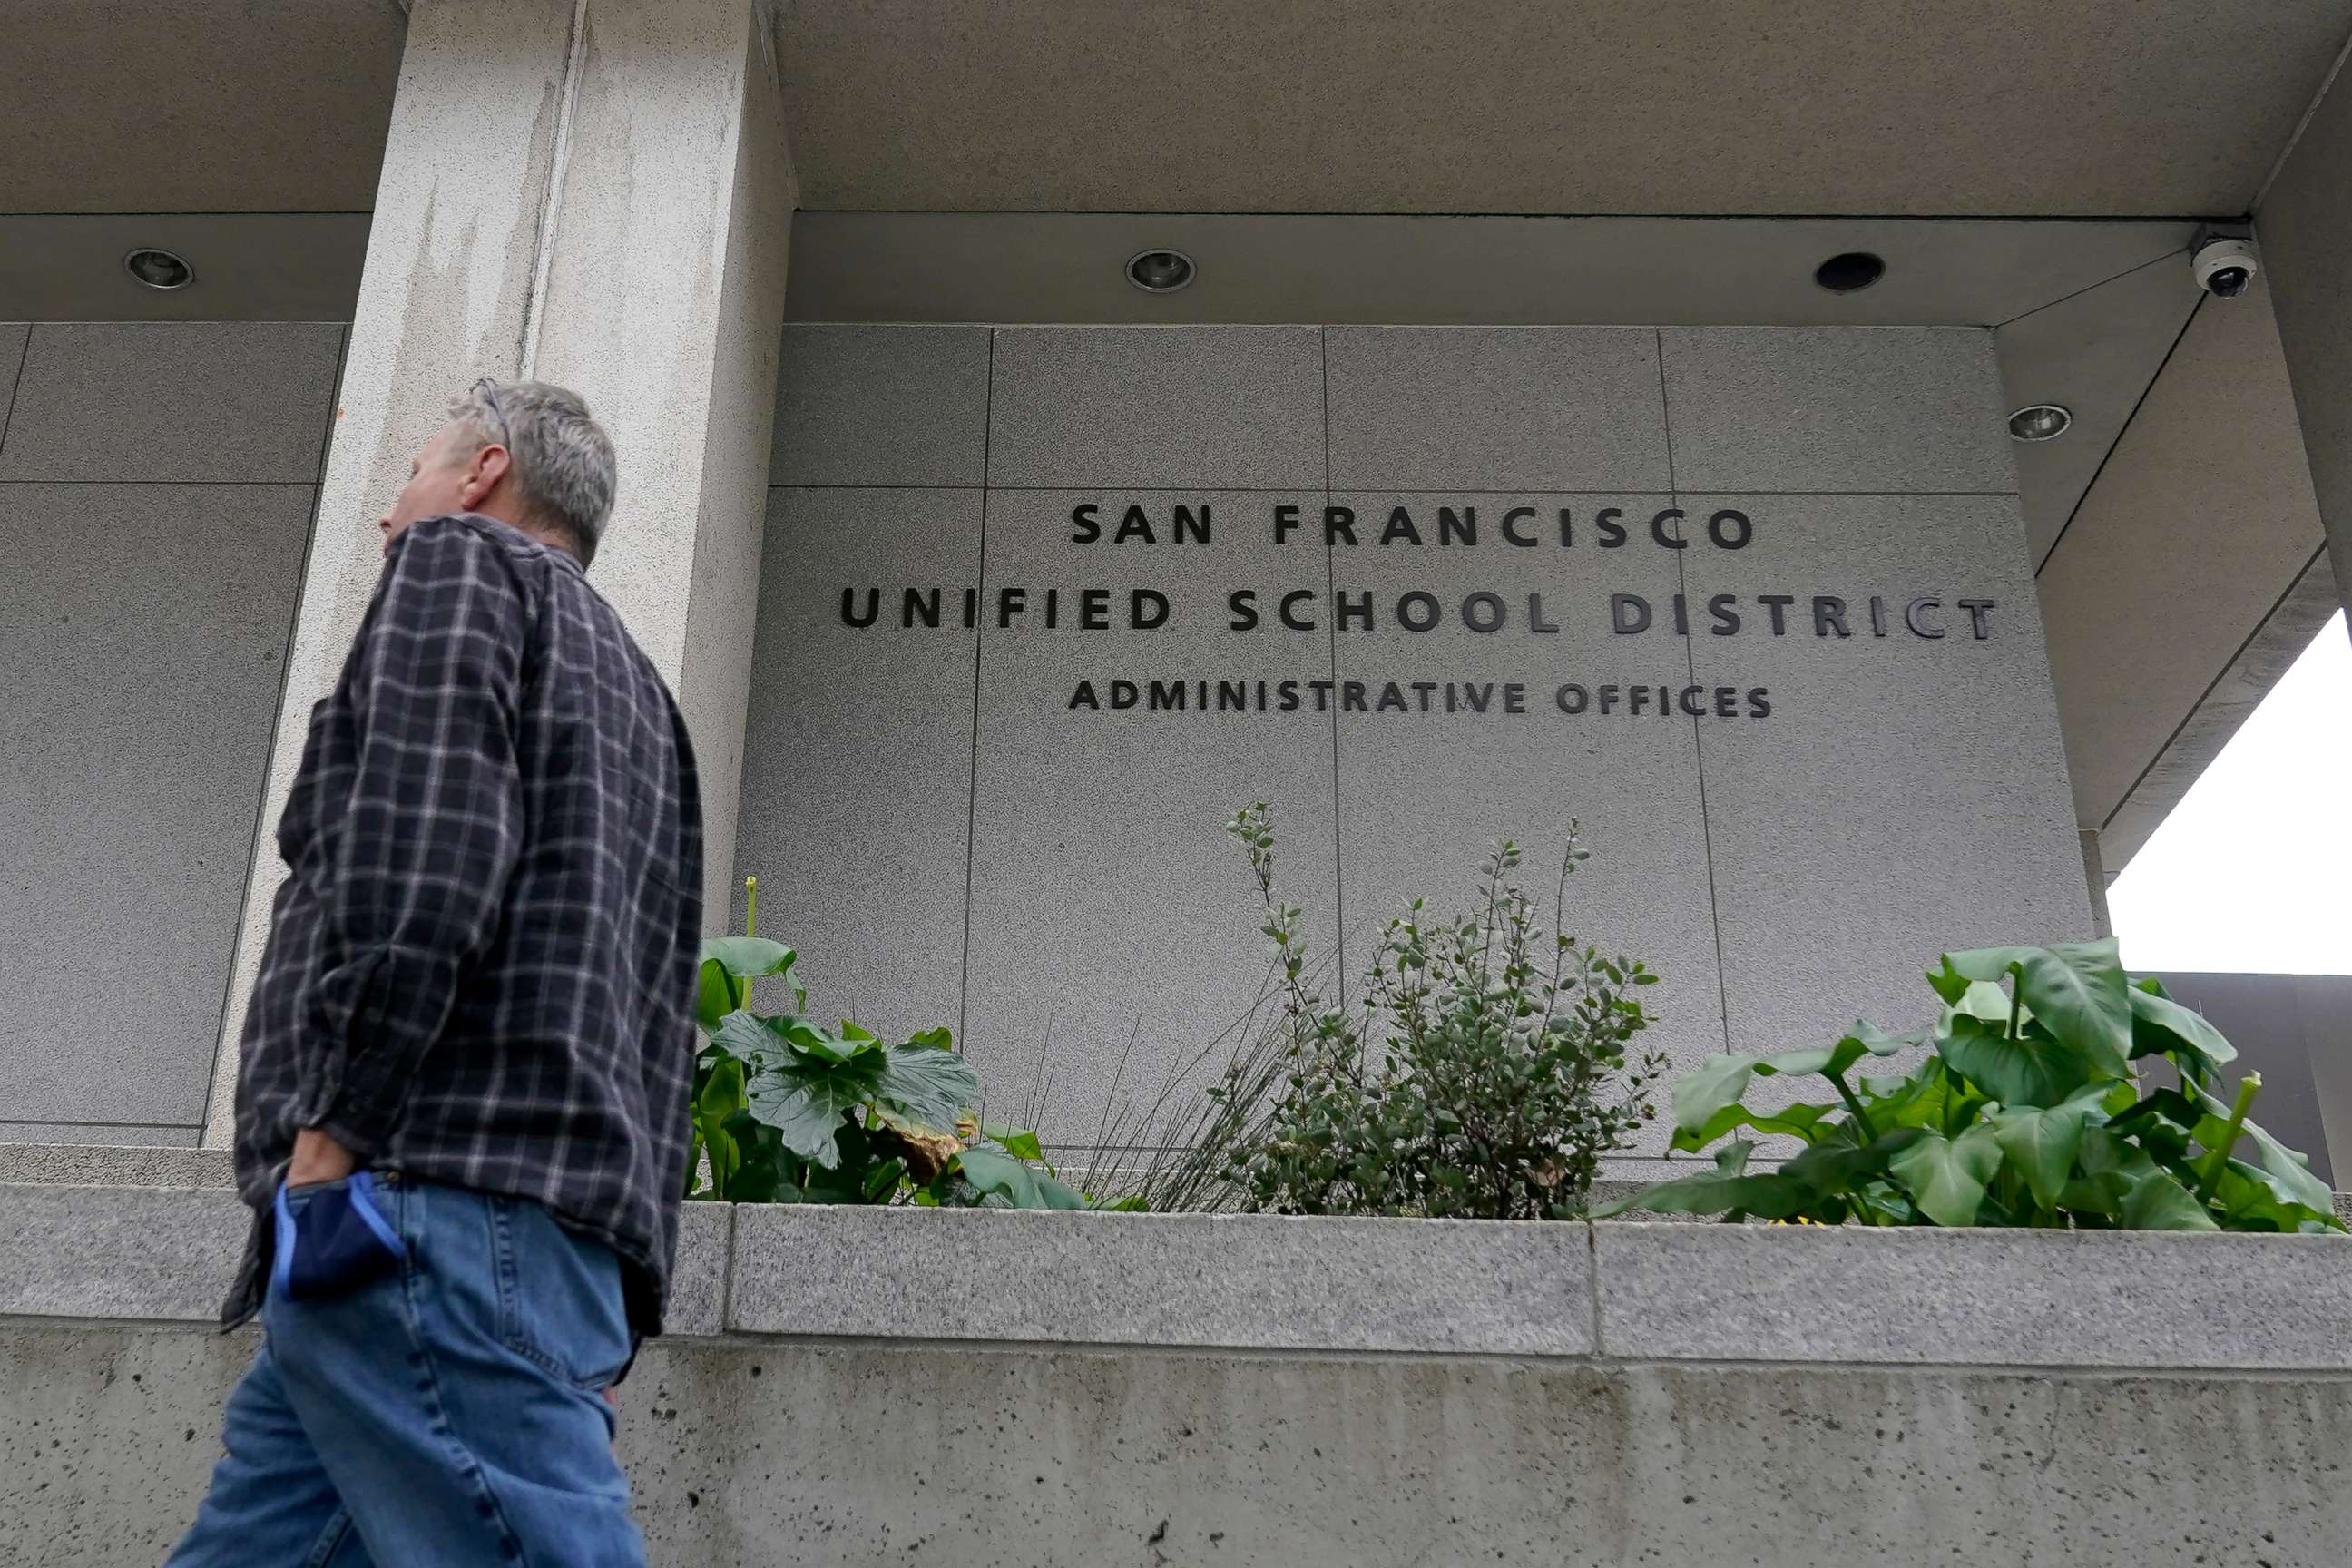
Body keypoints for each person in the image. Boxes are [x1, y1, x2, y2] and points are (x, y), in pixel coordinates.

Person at [167, 380, 703, 1567]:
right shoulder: (641, 698)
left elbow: (422, 862)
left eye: (410, 472)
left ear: (482, 474)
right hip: (532, 1234)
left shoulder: (459, 568)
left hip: (417, 1203)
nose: (387, 514)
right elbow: (660, 1012)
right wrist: (611, 1298)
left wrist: (329, 1147)